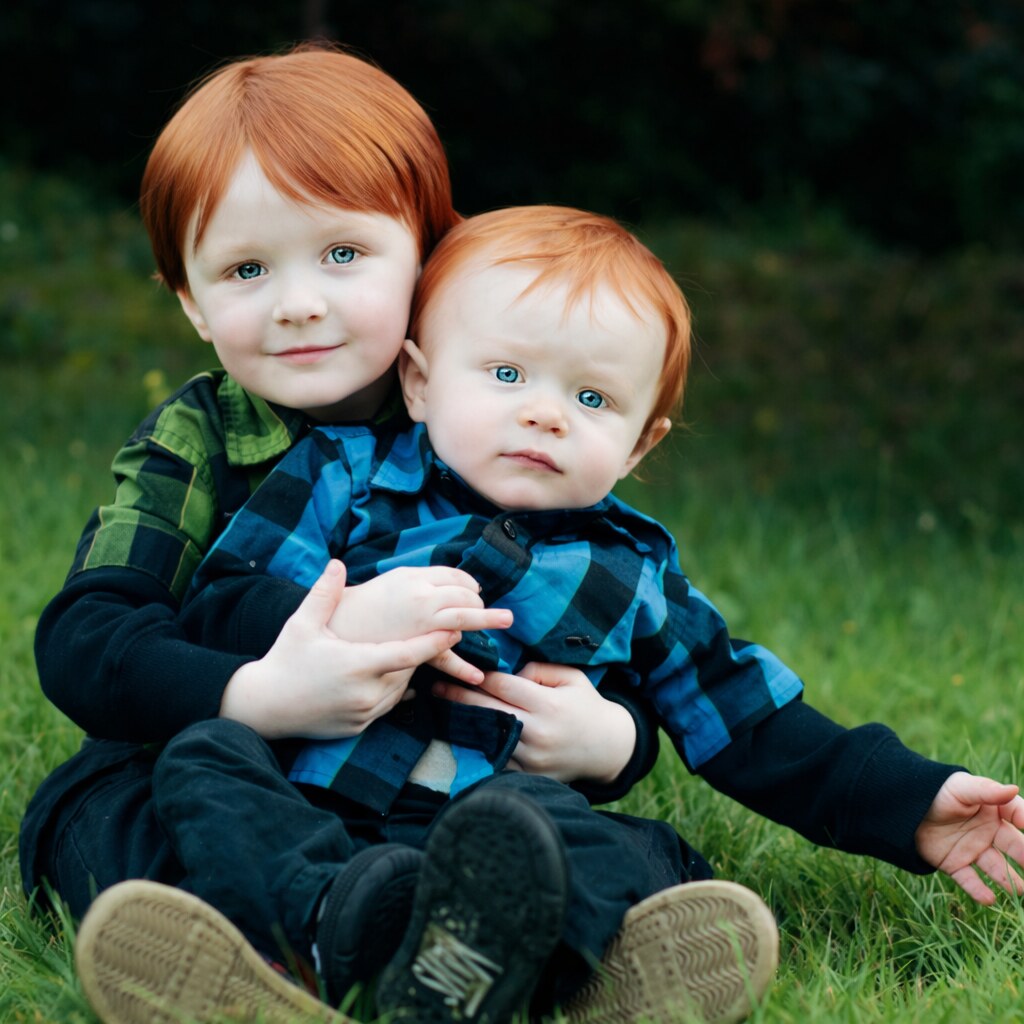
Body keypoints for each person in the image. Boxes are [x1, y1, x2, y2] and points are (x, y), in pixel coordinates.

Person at [129, 204, 1024, 1023]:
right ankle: (338, 929)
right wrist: (345, 615)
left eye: (592, 399)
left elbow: (753, 724)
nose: (545, 414)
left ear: (640, 444)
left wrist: (909, 801)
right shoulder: (343, 478)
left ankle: (508, 961)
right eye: (508, 373)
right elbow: (220, 601)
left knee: (642, 858)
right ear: (420, 383)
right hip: (323, 809)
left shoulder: (632, 570)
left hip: (506, 824)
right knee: (207, 758)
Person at [21, 47, 664, 1024]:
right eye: (245, 268)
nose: (298, 302)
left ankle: (580, 956)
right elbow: (87, 636)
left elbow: (626, 643)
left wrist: (612, 739)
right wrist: (260, 692)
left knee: (549, 831)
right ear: (190, 300)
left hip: (428, 776)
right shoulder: (197, 439)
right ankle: (294, 956)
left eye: (343, 254)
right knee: (97, 811)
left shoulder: (491, 428)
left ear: (428, 254)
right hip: (229, 767)